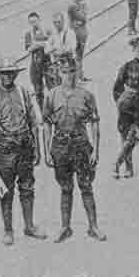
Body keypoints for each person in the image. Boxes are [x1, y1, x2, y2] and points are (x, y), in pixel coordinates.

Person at [0, 58, 48, 246]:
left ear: (15, 74)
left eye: (10, 73)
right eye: (3, 73)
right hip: (4, 150)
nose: (7, 77)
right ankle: (8, 230)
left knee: (27, 188)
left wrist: (37, 149)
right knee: (6, 191)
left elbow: (34, 122)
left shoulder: (24, 92)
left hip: (24, 147)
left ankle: (29, 226)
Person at [42, 53, 106, 242]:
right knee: (65, 187)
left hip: (81, 144)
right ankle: (65, 227)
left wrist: (96, 150)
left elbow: (95, 123)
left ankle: (93, 227)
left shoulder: (86, 95)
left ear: (76, 72)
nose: (68, 76)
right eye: (64, 72)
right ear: (58, 73)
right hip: (60, 145)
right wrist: (47, 151)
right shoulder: (52, 95)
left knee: (86, 186)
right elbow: (46, 124)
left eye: (71, 71)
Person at [112, 36, 139, 179]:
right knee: (126, 135)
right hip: (128, 105)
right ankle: (128, 167)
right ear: (133, 50)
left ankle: (120, 163)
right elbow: (117, 87)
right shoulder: (127, 66)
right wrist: (121, 102)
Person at [24, 11, 53, 108]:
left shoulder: (47, 31)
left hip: (47, 64)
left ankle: (55, 110)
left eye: (35, 21)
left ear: (39, 20)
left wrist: (36, 44)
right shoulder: (28, 34)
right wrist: (42, 44)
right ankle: (43, 112)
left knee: (52, 88)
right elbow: (29, 49)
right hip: (35, 65)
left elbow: (52, 43)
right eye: (31, 22)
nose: (34, 24)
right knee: (38, 92)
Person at [67, 0, 90, 82]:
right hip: (78, 33)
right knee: (77, 56)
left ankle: (79, 75)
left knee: (79, 56)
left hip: (81, 31)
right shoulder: (73, 6)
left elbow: (83, 17)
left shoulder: (78, 5)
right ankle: (77, 77)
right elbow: (83, 17)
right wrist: (83, 10)